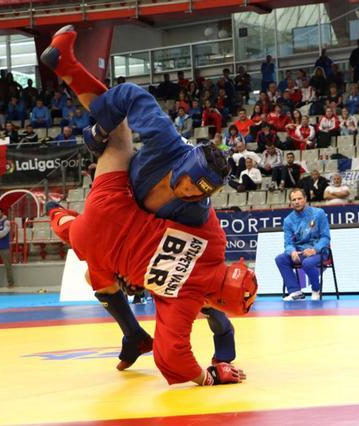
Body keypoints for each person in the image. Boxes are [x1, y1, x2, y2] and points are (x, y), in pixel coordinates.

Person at [41, 25, 248, 376]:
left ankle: (219, 328)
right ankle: (133, 333)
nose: (190, 194)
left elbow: (203, 274)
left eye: (200, 193)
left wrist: (209, 370)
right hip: (120, 208)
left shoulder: (197, 214)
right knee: (96, 269)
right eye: (188, 185)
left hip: (127, 223)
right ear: (182, 164)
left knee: (197, 289)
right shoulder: (167, 141)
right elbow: (131, 94)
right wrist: (104, 125)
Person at [275, 188, 330, 301]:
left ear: (305, 199)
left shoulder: (319, 213)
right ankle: (295, 292)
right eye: (293, 199)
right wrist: (292, 251)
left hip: (319, 251)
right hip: (300, 252)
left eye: (299, 198)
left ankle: (316, 289)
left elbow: (326, 237)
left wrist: (315, 250)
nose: (296, 201)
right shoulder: (288, 220)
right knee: (281, 259)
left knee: (307, 263)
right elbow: (288, 243)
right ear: (291, 203)